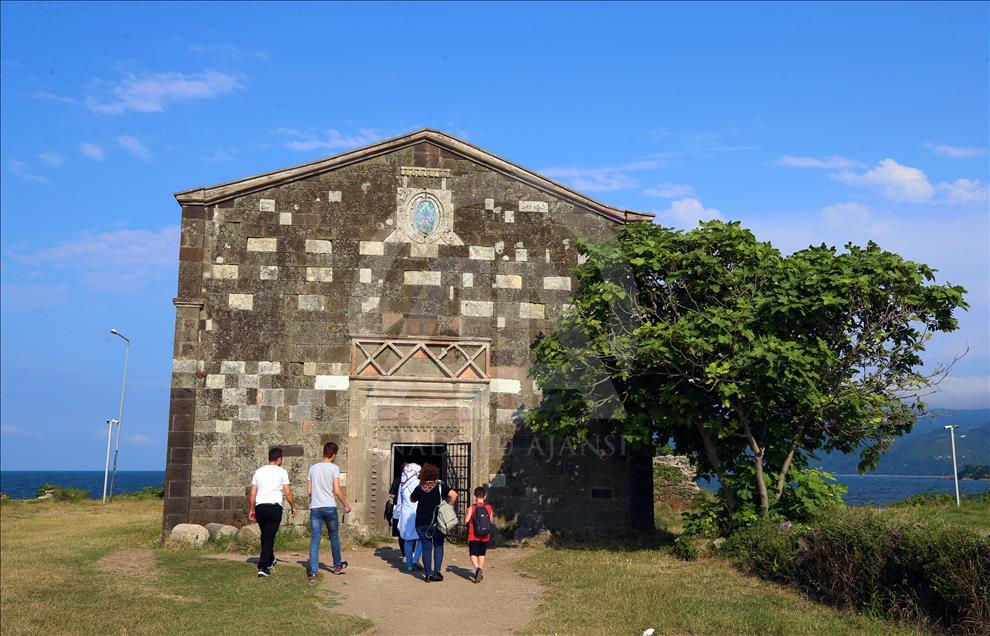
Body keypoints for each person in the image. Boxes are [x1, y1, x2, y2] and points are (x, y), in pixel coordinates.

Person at [306, 441, 352, 582]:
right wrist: (345, 505)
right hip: (330, 507)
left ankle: (313, 572)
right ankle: (337, 566)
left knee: (315, 539)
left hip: (316, 507)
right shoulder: (334, 468)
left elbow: (309, 491)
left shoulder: (313, 468)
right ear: (334, 455)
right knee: (333, 537)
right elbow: (337, 490)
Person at [249, 447, 297, 577]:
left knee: (266, 535)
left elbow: (253, 492)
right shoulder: (282, 472)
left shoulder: (258, 472)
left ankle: (270, 558)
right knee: (269, 536)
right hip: (274, 507)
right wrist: (293, 506)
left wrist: (252, 509)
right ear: (279, 459)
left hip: (260, 507)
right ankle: (264, 567)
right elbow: (287, 492)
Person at [409, 463, 457, 582]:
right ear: (435, 474)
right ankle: (437, 572)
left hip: (421, 522)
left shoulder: (420, 487)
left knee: (426, 547)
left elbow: (412, 499)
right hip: (438, 522)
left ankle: (428, 574)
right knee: (438, 545)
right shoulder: (440, 487)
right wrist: (448, 506)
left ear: (423, 475)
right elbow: (454, 495)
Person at [464, 486, 493, 583]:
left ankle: (477, 569)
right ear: (485, 497)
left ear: (474, 497)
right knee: (481, 553)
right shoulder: (488, 507)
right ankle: (480, 568)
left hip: (473, 535)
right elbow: (491, 521)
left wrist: (467, 513)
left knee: (473, 553)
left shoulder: (472, 507)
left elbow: (466, 521)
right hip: (485, 535)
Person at [397, 462, 423, 571]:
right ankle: (415, 558)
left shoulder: (402, 484)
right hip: (417, 513)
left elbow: (399, 500)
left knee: (408, 540)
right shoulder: (418, 483)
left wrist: (398, 514)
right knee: (422, 538)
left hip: (406, 514)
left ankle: (409, 565)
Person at [388, 462, 407, 561]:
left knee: (401, 533)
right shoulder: (415, 481)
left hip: (399, 509)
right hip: (403, 509)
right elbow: (391, 493)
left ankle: (405, 554)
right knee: (404, 532)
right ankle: (407, 554)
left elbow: (391, 494)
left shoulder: (398, 480)